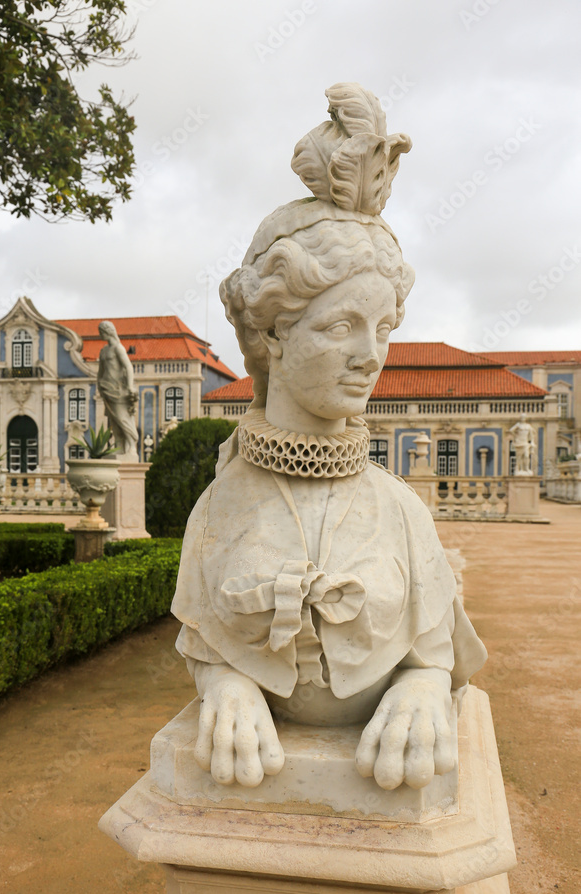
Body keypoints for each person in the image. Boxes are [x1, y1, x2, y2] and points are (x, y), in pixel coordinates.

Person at [171, 84, 487, 794]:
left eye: (381, 329)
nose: (369, 355)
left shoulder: (400, 512)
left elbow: (436, 651)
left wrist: (422, 688)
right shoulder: (218, 510)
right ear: (272, 335)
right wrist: (225, 685)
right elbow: (203, 637)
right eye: (342, 325)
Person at [97, 320, 139, 456]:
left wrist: (130, 386)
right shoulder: (103, 350)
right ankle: (120, 447)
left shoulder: (118, 348)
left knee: (122, 418)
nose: (100, 335)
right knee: (114, 420)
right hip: (106, 389)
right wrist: (99, 384)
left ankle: (132, 446)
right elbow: (100, 371)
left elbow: (128, 366)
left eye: (101, 332)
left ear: (108, 331)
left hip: (119, 390)